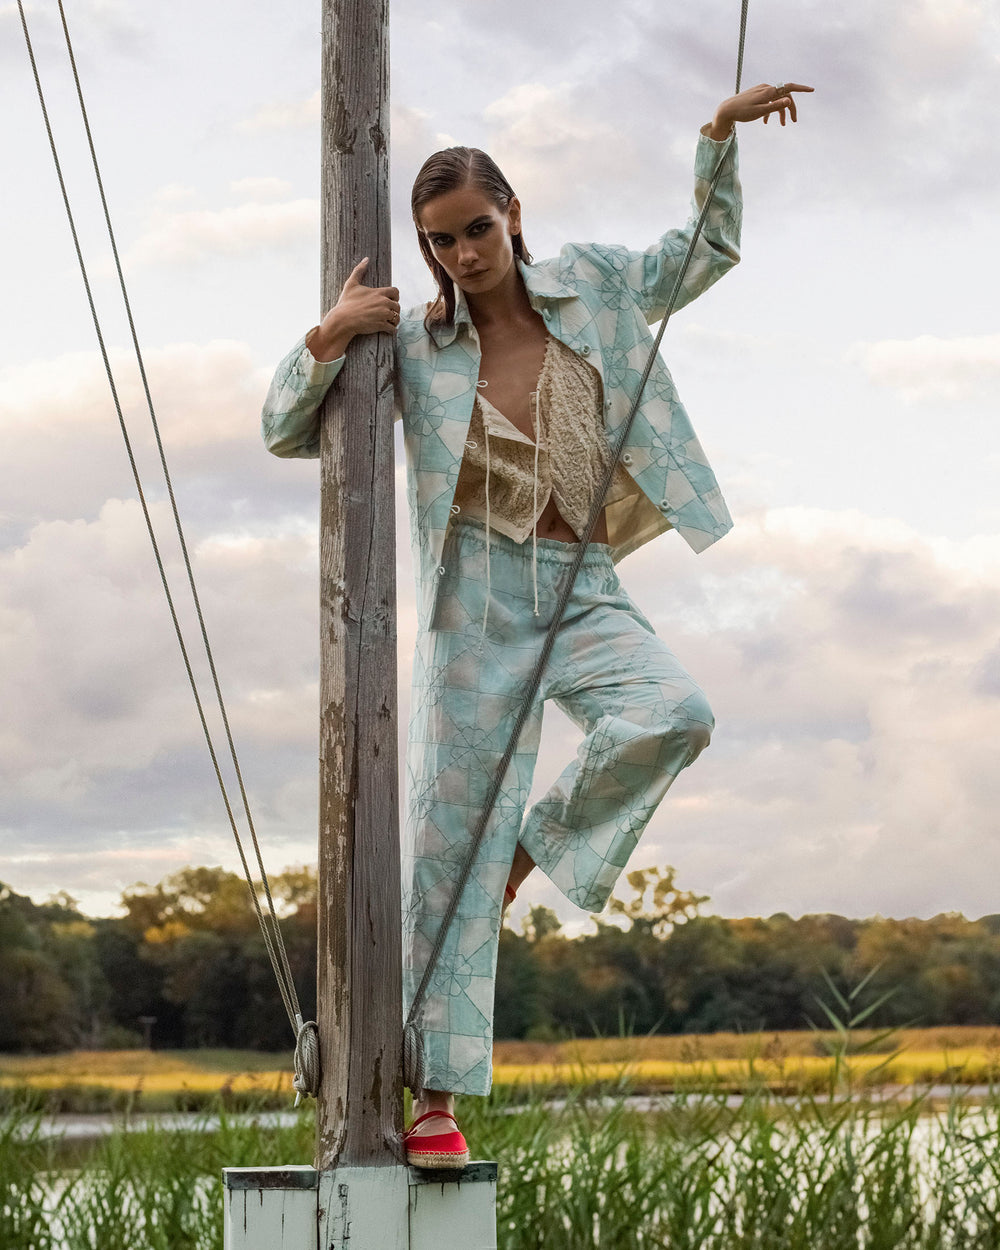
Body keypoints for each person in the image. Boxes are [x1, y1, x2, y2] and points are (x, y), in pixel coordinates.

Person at [262, 80, 813, 1168]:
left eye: (476, 227)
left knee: (675, 711)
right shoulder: (414, 347)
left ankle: (532, 846)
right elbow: (285, 427)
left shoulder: (596, 286)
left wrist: (713, 135)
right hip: (474, 605)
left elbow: (695, 256)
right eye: (441, 241)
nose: (463, 253)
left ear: (511, 210)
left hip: (579, 582)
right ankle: (433, 1101)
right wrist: (329, 334)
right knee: (441, 859)